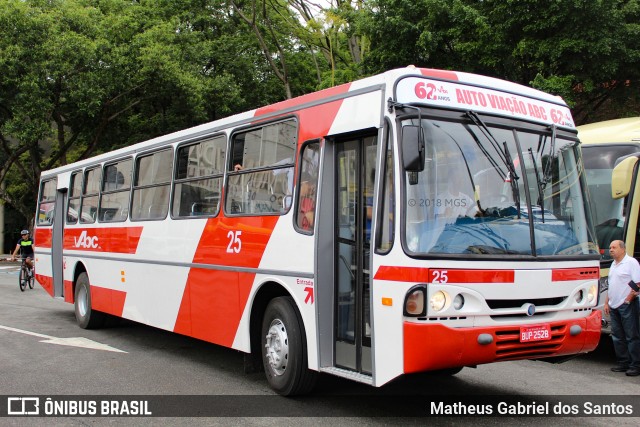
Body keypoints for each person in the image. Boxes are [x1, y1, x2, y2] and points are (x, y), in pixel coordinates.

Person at [605, 240, 640, 376]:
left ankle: (635, 365)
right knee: (618, 336)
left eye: (614, 247)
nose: (611, 250)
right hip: (614, 305)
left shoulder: (631, 263)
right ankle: (623, 362)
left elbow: (637, 282)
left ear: (622, 249)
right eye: (610, 247)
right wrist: (607, 302)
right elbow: (611, 284)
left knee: (632, 336)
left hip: (627, 305)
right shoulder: (613, 264)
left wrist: (628, 299)